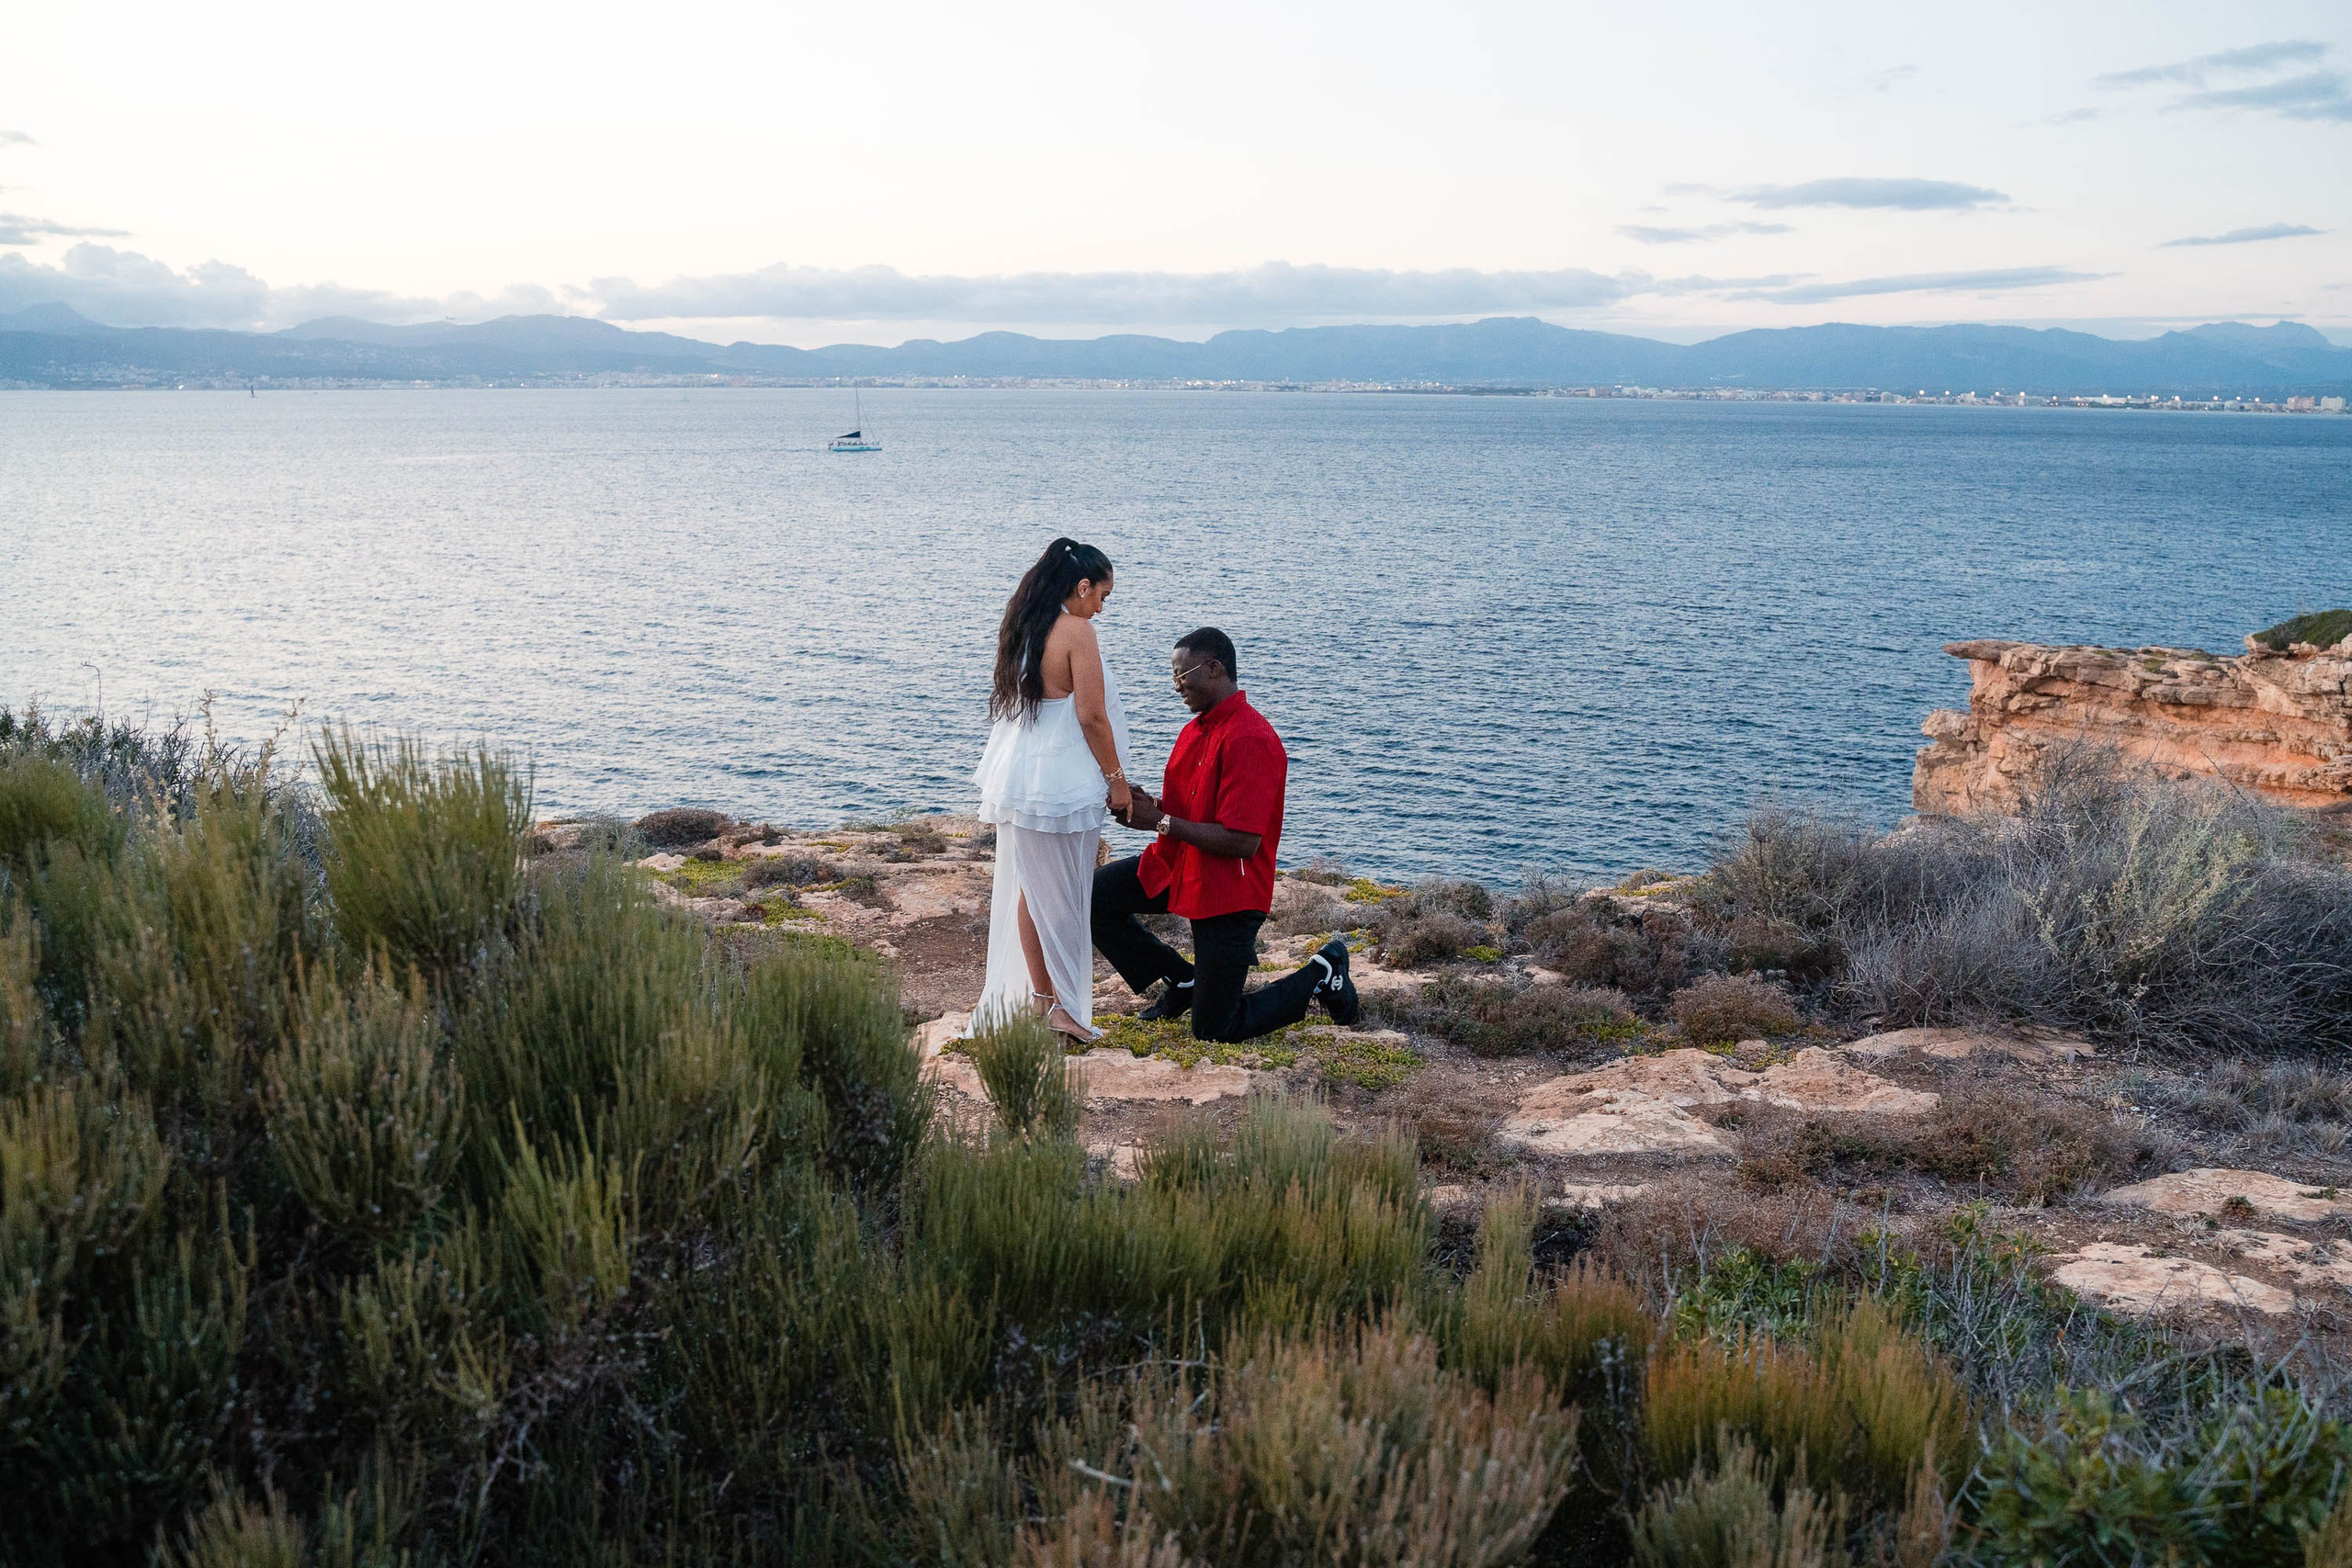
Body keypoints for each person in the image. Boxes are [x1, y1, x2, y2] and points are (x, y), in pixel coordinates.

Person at [1093, 627, 1359, 1041]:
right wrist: (1148, 807)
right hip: (1180, 867)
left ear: (1215, 668)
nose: (1176, 687)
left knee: (1216, 1028)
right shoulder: (1196, 730)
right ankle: (1182, 979)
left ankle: (1322, 973)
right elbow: (1191, 810)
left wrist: (1159, 821)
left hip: (1228, 892)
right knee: (1092, 898)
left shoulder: (1250, 738)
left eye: (1182, 676)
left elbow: (1242, 841)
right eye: (1174, 677)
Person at [970, 537, 1131, 1043]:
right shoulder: (1077, 631)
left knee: (1033, 891)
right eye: (1101, 596)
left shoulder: (1027, 626)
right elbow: (1091, 715)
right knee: (1062, 895)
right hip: (1061, 785)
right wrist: (1118, 781)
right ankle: (1061, 1006)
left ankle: (1044, 1000)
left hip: (1022, 778)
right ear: (1082, 586)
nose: (1101, 608)